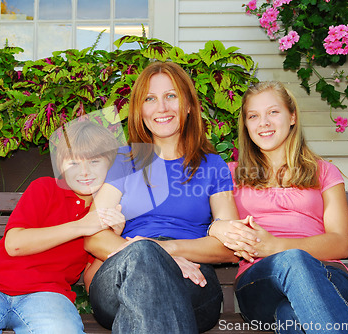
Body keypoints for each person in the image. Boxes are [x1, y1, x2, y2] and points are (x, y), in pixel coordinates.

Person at [83, 61, 239, 333]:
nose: (162, 108)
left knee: (146, 265)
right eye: (150, 99)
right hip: (122, 272)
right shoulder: (124, 161)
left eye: (171, 96)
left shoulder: (213, 166)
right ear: (139, 110)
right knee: (143, 257)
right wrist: (147, 254)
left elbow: (229, 248)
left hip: (193, 278)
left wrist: (164, 252)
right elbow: (94, 236)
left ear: (189, 104)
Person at [0, 119, 125, 334]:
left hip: (48, 294)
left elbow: (91, 284)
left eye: (94, 161)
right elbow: (14, 244)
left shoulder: (106, 210)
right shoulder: (45, 188)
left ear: (110, 164)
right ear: (61, 165)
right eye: (74, 163)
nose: (85, 171)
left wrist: (108, 245)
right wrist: (81, 226)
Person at [208, 81, 348, 334]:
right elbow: (206, 221)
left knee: (290, 314)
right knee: (292, 263)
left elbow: (340, 243)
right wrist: (216, 228)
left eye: (273, 112)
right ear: (246, 125)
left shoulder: (324, 172)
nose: (263, 123)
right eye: (253, 116)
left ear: (292, 116)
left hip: (328, 275)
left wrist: (276, 246)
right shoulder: (229, 175)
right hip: (259, 282)